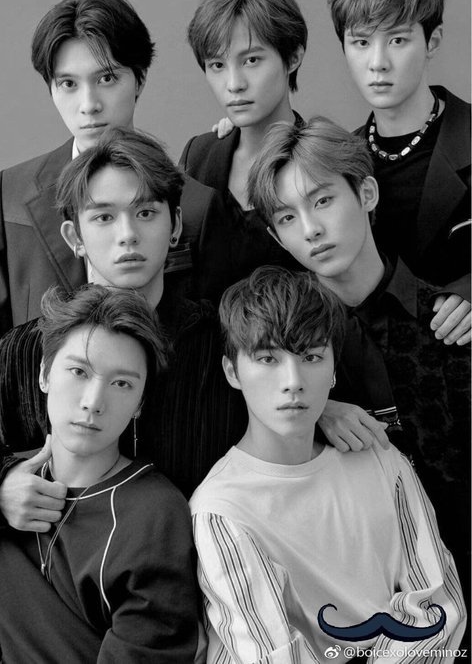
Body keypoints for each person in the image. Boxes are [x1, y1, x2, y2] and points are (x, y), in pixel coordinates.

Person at [248, 116, 470, 626]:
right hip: (350, 607)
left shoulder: (451, 323)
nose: (311, 229)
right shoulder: (277, 359)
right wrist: (315, 407)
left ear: (366, 194)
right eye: (287, 217)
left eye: (323, 200)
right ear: (276, 237)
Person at [190, 265, 466, 663]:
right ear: (233, 372)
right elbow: (271, 655)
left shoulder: (382, 462)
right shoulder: (221, 509)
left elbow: (437, 610)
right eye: (267, 358)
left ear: (333, 369)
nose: (293, 380)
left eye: (311, 357)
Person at [0, 127, 245, 539]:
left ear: (175, 224)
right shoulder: (24, 350)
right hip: (54, 570)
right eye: (104, 217)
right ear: (75, 237)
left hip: (196, 564)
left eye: (145, 213)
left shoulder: (225, 342)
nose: (127, 234)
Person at [0, 0, 212, 348]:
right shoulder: (8, 195)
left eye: (106, 78)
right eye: (68, 84)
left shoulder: (198, 204)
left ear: (140, 79)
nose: (89, 104)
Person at [0, 284, 199, 663]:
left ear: (139, 403)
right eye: (78, 371)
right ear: (44, 374)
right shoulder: (3, 487)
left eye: (121, 384)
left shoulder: (153, 514)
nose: (93, 402)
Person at [327, 0, 471, 347]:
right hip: (374, 371)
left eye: (397, 40)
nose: (378, 62)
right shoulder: (339, 161)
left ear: (432, 41)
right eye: (361, 42)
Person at [180, 0, 307, 303]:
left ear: (293, 57)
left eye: (251, 60)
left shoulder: (321, 162)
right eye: (217, 65)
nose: (234, 83)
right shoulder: (199, 156)